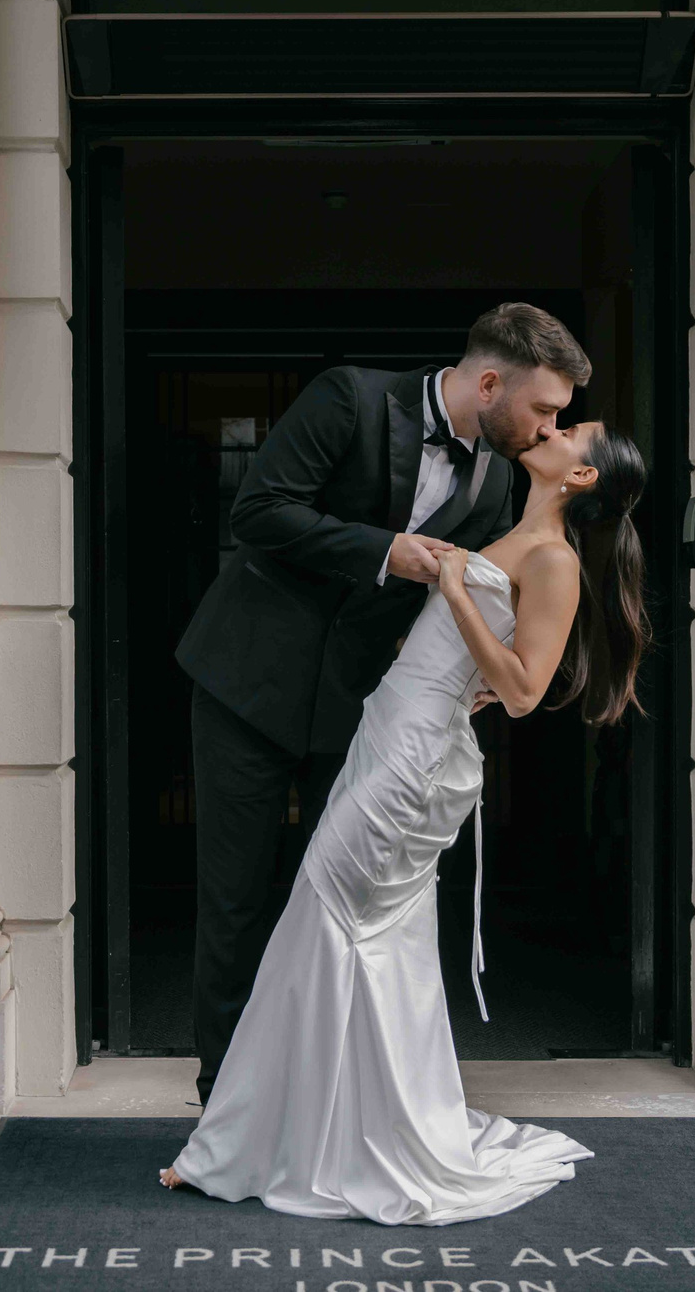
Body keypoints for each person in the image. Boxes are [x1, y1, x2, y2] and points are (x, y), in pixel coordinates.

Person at [160, 417, 651, 1225]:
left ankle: (256, 1144)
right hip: (387, 732)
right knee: (348, 937)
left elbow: (525, 693)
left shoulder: (555, 558)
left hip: (414, 763)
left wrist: (456, 593)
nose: (554, 429)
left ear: (583, 477)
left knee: (325, 921)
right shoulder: (509, 531)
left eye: (574, 431)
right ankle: (297, 1138)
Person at [174, 303, 590, 1108]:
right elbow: (256, 512)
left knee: (334, 907)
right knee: (234, 900)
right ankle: (222, 1108)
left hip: (361, 710)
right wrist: (382, 551)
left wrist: (461, 679)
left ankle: (324, 1101)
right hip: (245, 686)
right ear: (492, 380)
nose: (548, 428)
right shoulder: (350, 399)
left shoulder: (500, 474)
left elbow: (472, 596)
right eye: (543, 409)